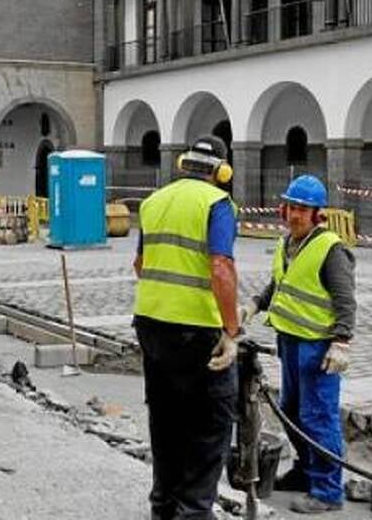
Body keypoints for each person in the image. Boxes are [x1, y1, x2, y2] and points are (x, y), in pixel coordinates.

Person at [132, 135, 243, 519]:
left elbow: (140, 265)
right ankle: (194, 512)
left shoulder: (153, 203)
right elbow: (221, 267)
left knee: (165, 420)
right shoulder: (218, 203)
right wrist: (231, 331)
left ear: (183, 164)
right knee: (209, 424)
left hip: (150, 325)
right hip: (197, 332)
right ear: (222, 172)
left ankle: (163, 507)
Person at [242, 175, 355, 514]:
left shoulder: (330, 249)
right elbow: (280, 284)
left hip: (318, 348)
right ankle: (306, 473)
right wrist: (253, 305)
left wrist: (342, 342)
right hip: (289, 341)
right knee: (291, 410)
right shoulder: (287, 242)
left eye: (303, 210)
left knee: (318, 417)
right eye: (291, 207)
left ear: (317, 214)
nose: (295, 215)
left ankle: (327, 491)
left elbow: (345, 300)